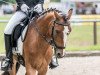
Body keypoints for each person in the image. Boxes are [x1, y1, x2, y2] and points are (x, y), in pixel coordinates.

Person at [1, 0, 58, 71]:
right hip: (22, 11)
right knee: (7, 30)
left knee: (50, 27)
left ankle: (51, 58)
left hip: (38, 10)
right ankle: (8, 59)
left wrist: (40, 4)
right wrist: (22, 4)